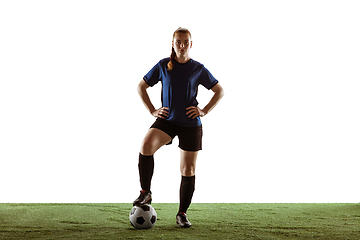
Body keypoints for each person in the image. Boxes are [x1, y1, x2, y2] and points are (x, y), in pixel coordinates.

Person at [134, 27, 224, 228]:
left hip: (190, 125)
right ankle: (145, 192)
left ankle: (182, 214)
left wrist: (204, 111)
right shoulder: (163, 65)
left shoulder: (198, 68)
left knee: (188, 168)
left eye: (185, 42)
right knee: (146, 146)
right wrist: (152, 110)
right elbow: (141, 86)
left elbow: (219, 90)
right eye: (178, 42)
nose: (182, 46)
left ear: (191, 44)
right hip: (167, 121)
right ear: (173, 44)